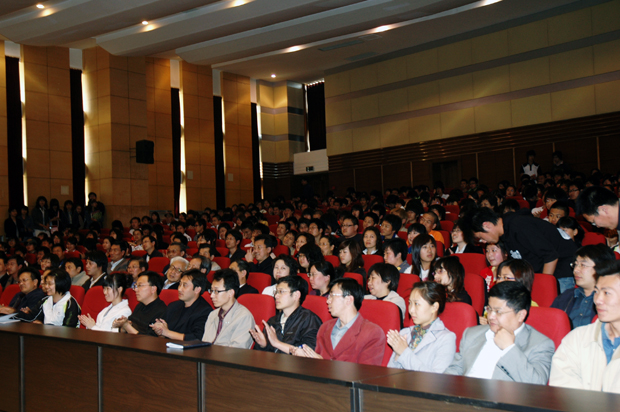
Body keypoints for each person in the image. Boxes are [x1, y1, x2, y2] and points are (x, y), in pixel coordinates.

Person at [445, 281, 555, 384]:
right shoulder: (472, 334)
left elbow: (537, 383)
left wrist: (509, 348)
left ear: (521, 315)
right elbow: (455, 370)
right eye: (489, 309)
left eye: (498, 311)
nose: (491, 316)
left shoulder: (540, 344)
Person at [550, 259, 620, 392]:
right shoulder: (578, 338)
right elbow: (561, 387)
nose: (597, 300)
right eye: (596, 291)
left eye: (606, 293)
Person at [470, 208, 577, 293]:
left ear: (486, 225)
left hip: (563, 270)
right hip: (541, 272)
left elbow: (551, 257)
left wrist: (543, 287)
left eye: (481, 237)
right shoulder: (505, 233)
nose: (483, 241)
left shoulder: (519, 225)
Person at [294, 278, 385, 365]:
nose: (328, 301)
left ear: (348, 300)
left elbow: (366, 372)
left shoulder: (372, 333)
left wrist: (323, 364)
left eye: (332, 296)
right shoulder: (325, 328)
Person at [387, 281, 456, 372]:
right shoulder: (405, 333)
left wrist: (404, 352)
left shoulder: (446, 338)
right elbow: (390, 373)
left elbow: (437, 378)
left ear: (434, 307)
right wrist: (397, 355)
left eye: (416, 304)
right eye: (410, 303)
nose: (411, 310)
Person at [251, 276, 322, 354]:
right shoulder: (273, 321)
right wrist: (263, 345)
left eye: (281, 292)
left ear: (296, 295)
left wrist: (277, 343)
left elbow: (308, 352)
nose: (276, 296)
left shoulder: (309, 319)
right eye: (276, 292)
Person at [551, 244, 615, 329]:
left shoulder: (612, 301)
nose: (575, 270)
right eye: (575, 264)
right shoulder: (566, 296)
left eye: (583, 265)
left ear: (602, 267)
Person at [150, 269, 213, 341]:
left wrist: (167, 333)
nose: (179, 289)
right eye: (180, 284)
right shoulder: (173, 306)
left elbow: (197, 338)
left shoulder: (205, 311)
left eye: (185, 285)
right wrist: (160, 332)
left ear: (197, 289)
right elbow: (163, 336)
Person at [202, 269, 255, 348]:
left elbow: (238, 351)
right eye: (211, 291)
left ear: (230, 293)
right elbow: (204, 344)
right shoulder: (213, 315)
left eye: (216, 291)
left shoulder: (244, 317)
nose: (212, 295)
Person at [114, 271, 167, 336]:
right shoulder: (140, 305)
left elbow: (149, 339)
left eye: (140, 285)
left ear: (153, 289)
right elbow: (129, 327)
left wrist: (126, 326)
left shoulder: (162, 311)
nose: (135, 289)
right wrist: (123, 327)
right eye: (135, 286)